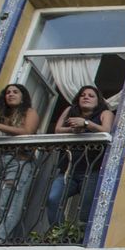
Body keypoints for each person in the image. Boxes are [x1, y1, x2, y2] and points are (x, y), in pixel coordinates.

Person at [0, 83, 41, 242]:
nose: (10, 94)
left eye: (15, 92)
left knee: (10, 203)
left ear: (22, 97)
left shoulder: (29, 112)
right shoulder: (0, 115)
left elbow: (27, 132)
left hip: (19, 161)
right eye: (8, 92)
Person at [45, 85, 113, 229]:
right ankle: (58, 233)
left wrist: (86, 124)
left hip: (92, 170)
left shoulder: (105, 113)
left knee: (85, 209)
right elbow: (58, 130)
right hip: (68, 170)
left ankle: (80, 237)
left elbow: (106, 130)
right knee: (53, 199)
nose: (86, 97)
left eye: (91, 95)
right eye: (83, 95)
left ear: (98, 101)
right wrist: (73, 129)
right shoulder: (70, 110)